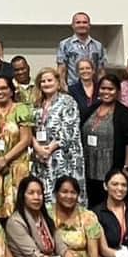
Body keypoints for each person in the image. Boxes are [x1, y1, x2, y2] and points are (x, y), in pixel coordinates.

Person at [0, 76, 34, 218]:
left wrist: (5, 159)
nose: (0, 92)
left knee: (14, 206)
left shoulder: (21, 109)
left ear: (11, 91)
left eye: (3, 88)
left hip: (16, 165)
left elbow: (26, 139)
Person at [82, 75, 128, 207]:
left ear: (118, 92)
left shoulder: (125, 113)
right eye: (103, 88)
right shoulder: (92, 109)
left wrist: (127, 166)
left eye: (111, 89)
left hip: (111, 166)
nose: (106, 92)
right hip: (90, 166)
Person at [30, 68, 85, 208]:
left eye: (50, 80)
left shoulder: (68, 101)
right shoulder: (36, 104)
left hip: (62, 157)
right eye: (43, 81)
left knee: (64, 196)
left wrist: (49, 149)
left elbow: (70, 129)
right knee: (45, 197)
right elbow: (30, 129)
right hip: (41, 158)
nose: (46, 83)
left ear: (58, 82)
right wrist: (38, 148)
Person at [5, 177, 66, 257]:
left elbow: (61, 247)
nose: (36, 197)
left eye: (39, 193)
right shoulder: (16, 222)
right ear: (23, 196)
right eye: (31, 193)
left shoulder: (45, 217)